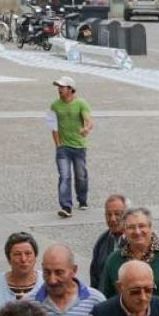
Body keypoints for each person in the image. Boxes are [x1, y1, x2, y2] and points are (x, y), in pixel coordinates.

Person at [50, 76, 93, 218]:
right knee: (64, 176)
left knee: (80, 176)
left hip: (79, 147)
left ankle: (82, 199)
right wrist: (58, 144)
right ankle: (66, 207)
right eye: (58, 87)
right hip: (63, 148)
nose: (59, 89)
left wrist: (86, 129)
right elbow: (53, 126)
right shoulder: (55, 106)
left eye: (62, 87)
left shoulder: (81, 103)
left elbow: (88, 120)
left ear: (71, 89)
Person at [90, 195, 128, 290]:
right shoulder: (102, 240)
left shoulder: (135, 241)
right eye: (108, 214)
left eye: (117, 214)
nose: (112, 219)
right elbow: (94, 276)